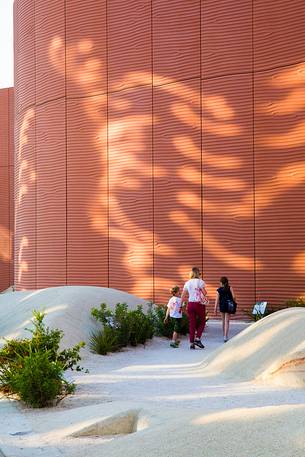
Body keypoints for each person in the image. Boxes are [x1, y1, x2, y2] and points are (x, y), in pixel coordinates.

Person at [181, 267, 207, 350]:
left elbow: (183, 295)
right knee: (202, 322)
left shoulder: (187, 283)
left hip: (190, 304)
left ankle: (191, 343)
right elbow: (205, 293)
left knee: (192, 324)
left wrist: (181, 305)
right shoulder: (200, 282)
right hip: (199, 304)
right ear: (198, 273)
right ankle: (197, 338)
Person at [214, 276, 236, 342]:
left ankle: (224, 335)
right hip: (229, 305)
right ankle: (226, 336)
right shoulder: (230, 288)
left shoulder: (219, 290)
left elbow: (217, 300)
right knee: (227, 321)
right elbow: (234, 297)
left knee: (223, 321)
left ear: (221, 283)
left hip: (222, 305)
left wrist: (215, 308)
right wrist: (233, 302)